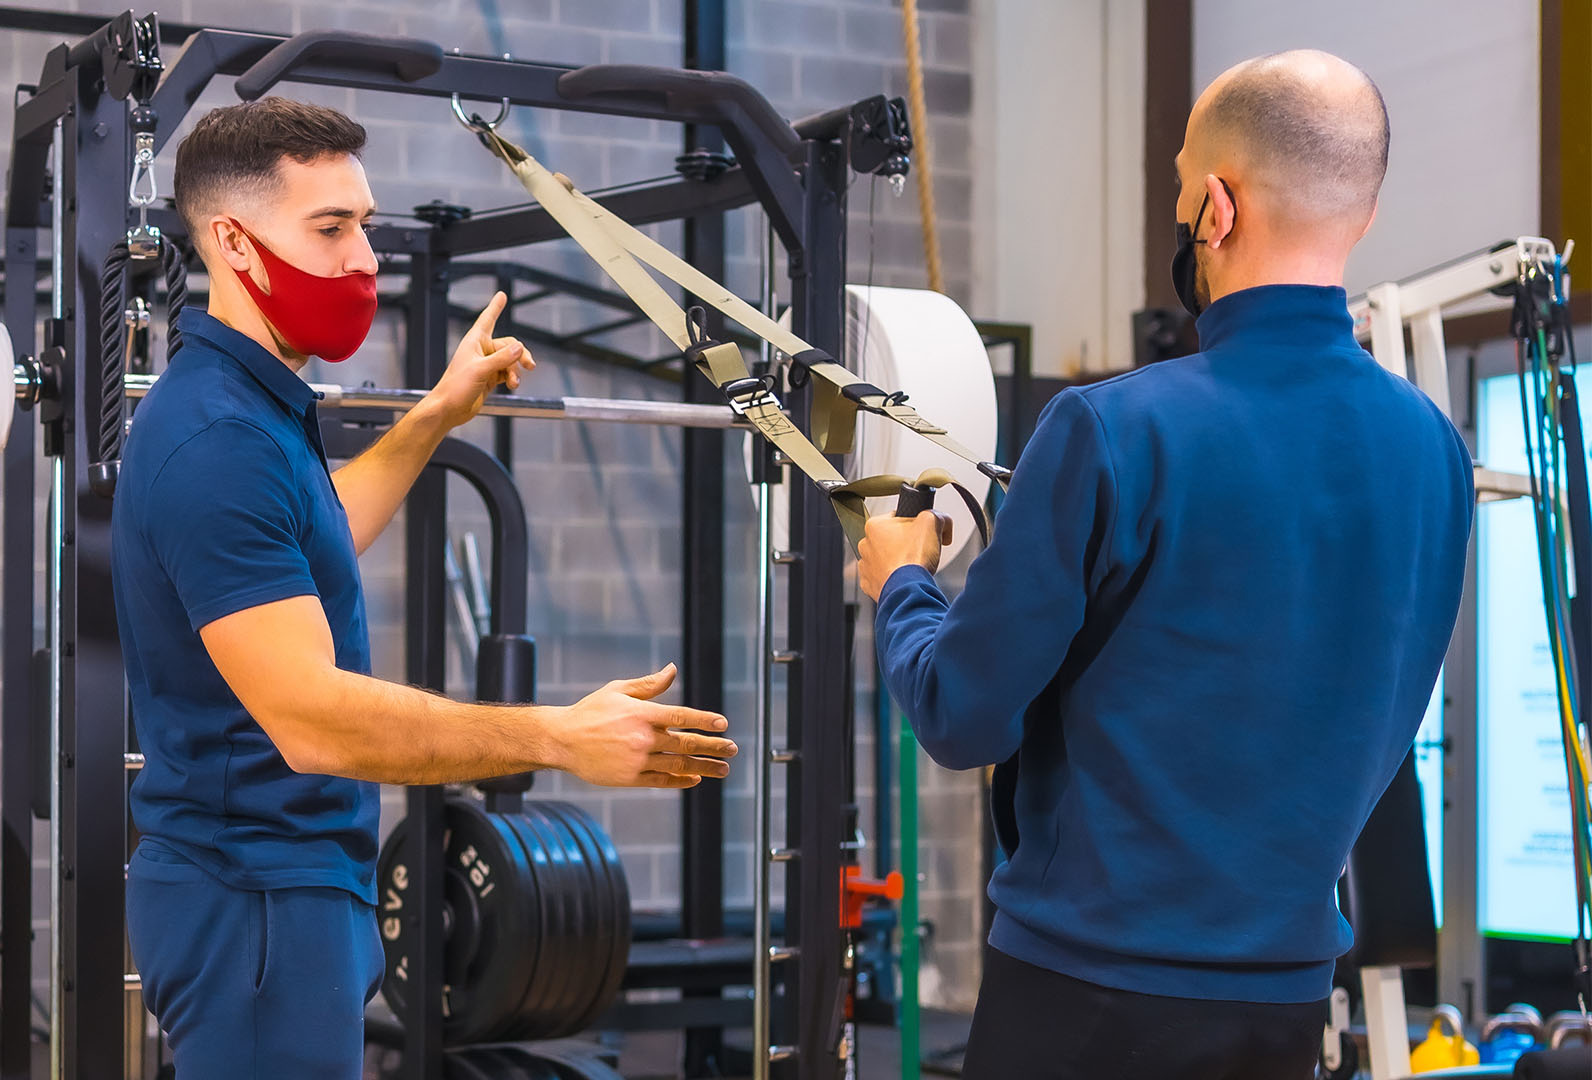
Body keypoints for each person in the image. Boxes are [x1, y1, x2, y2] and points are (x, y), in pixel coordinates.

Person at [856, 50, 1472, 1078]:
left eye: (1183, 189)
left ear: (1216, 211)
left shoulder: (1111, 430)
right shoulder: (1434, 450)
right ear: (1359, 218)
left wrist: (902, 584)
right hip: (1282, 1012)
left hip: (1083, 1001)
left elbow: (963, 715)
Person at [110, 98, 738, 1079]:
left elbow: (317, 541)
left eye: (364, 223)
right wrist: (555, 737)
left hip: (294, 889)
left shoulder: (258, 405)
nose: (365, 258)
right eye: (331, 229)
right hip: (256, 906)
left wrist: (435, 416)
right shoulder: (219, 440)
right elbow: (312, 720)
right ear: (234, 241)